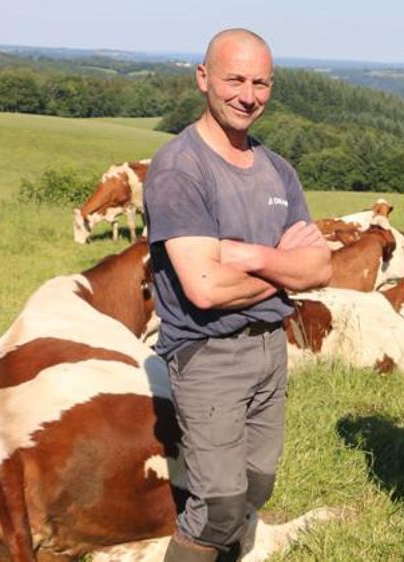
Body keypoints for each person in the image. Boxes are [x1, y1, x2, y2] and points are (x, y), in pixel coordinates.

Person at [143, 28, 331, 561]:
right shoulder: (181, 168)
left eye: (261, 83)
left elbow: (321, 266)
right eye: (234, 80)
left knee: (255, 487)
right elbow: (204, 289)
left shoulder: (277, 169)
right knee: (219, 507)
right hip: (209, 355)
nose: (248, 95)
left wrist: (251, 256)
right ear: (203, 79)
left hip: (270, 349)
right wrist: (285, 268)